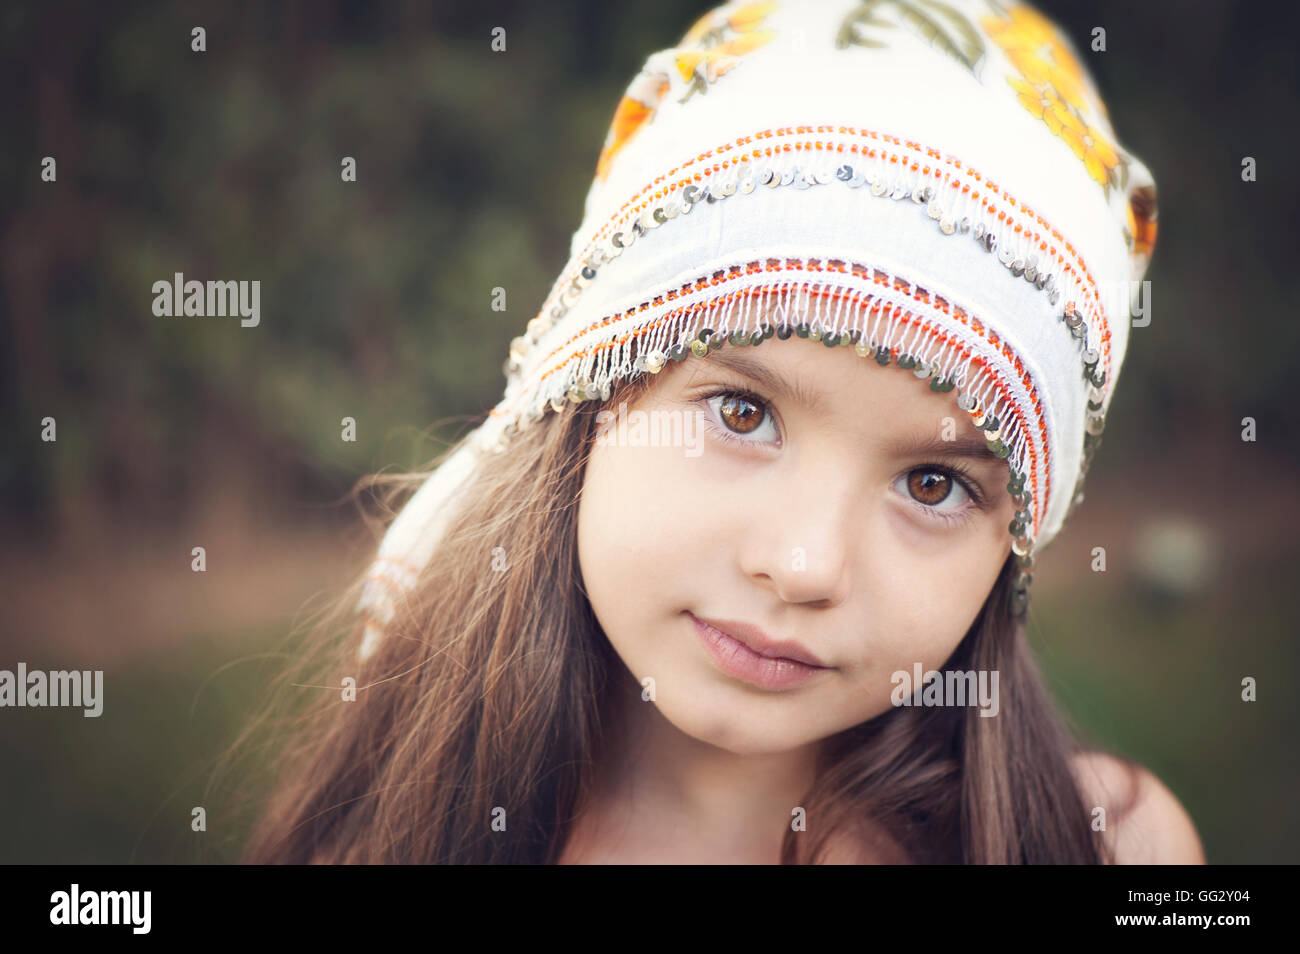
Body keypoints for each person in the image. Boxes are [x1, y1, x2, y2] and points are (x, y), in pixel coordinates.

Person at [241, 0, 1202, 864]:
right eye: (743, 414)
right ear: (590, 392)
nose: (805, 563)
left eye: (935, 484)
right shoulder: (398, 839)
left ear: (1015, 544)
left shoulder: (1112, 848)